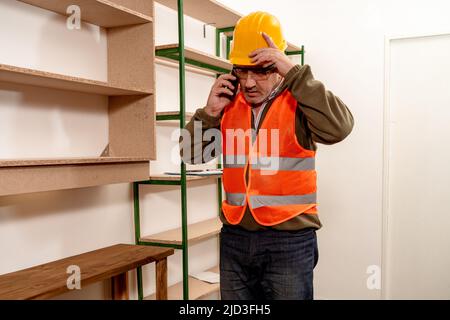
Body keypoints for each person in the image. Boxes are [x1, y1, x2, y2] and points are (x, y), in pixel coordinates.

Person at [181, 11, 354, 300]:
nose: (248, 82)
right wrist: (208, 113)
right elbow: (191, 155)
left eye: (260, 70)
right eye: (241, 70)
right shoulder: (227, 102)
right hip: (235, 237)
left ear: (278, 65)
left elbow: (340, 128)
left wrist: (296, 74)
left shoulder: (299, 100)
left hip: (288, 241)